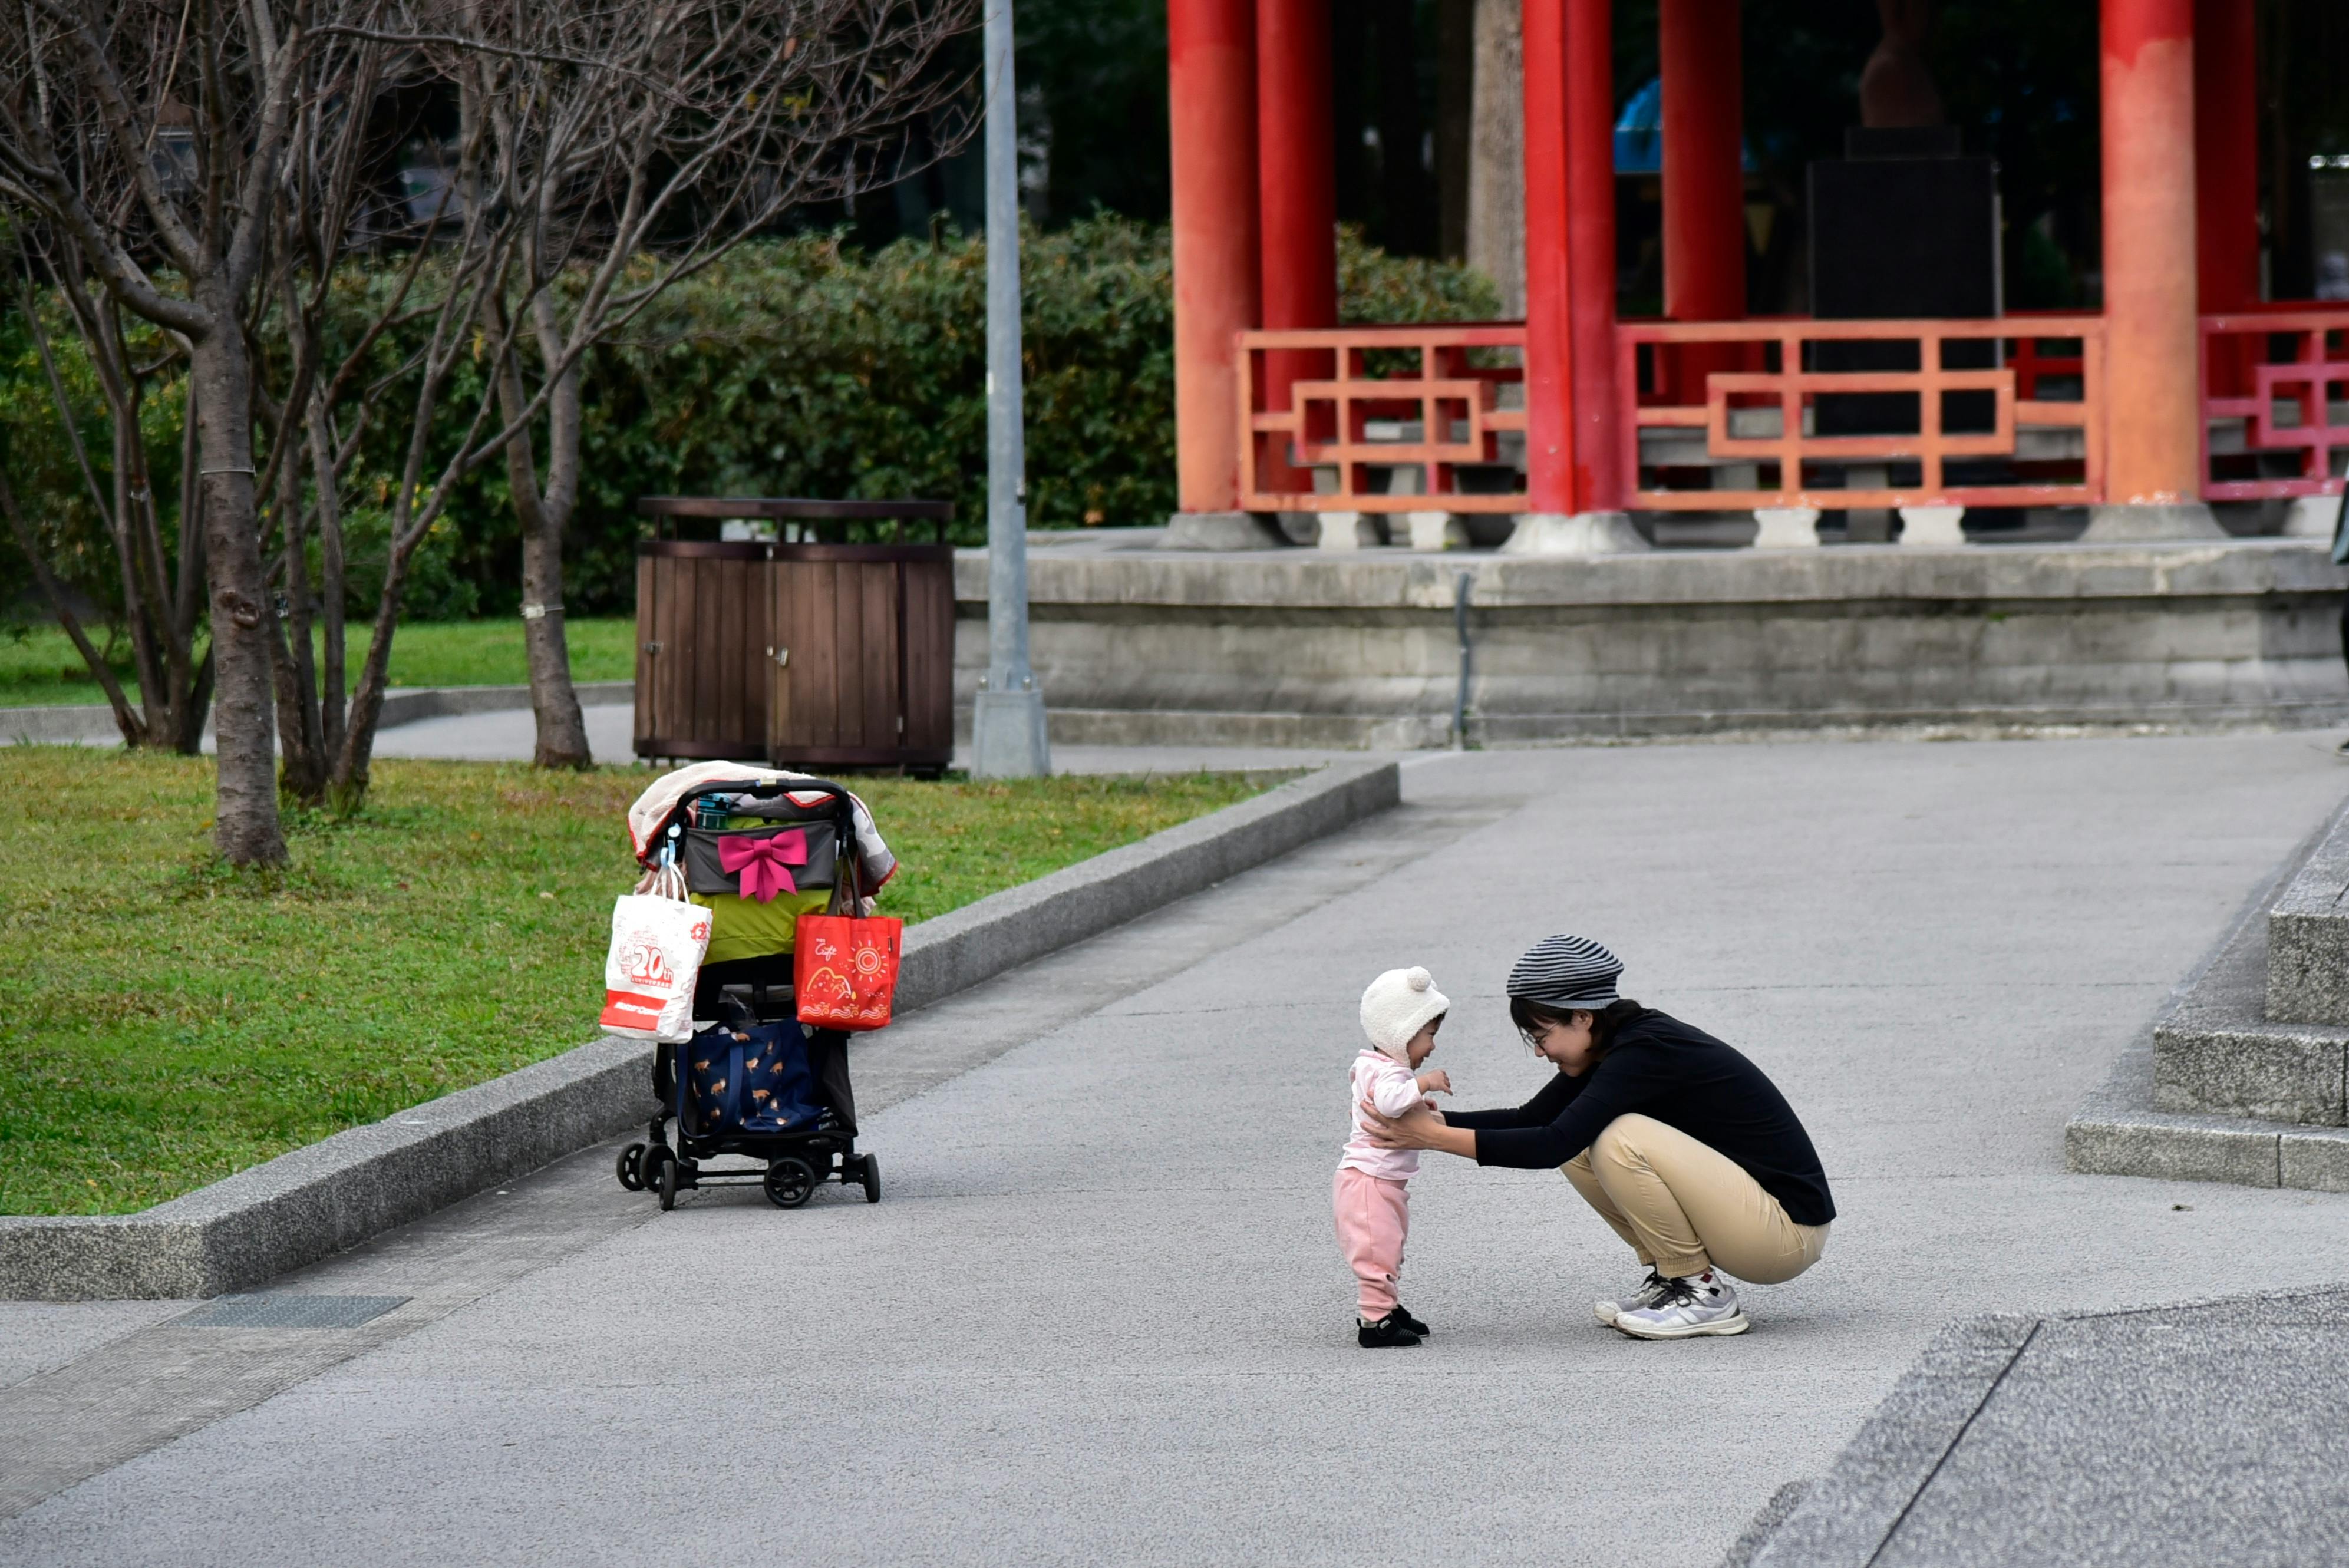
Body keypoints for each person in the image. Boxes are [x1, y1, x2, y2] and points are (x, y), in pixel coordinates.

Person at [1360, 935, 1834, 1341]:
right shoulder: (1611, 1043)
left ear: (1582, 1016)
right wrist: (1433, 1123)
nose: (1541, 1051)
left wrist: (1433, 1139)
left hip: (1784, 1233)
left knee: (1615, 1137)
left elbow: (1549, 1143)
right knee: (1582, 1140)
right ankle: (1675, 1277)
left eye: (1542, 1035)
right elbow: (1534, 1118)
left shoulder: (1645, 1050)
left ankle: (1700, 1291)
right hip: (1753, 1218)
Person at [1335, 966, 1453, 1348]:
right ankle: (1374, 1322)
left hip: (1377, 1181)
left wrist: (1417, 1097)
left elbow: (1392, 1106)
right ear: (1401, 1033)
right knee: (1377, 1250)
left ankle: (1388, 1306)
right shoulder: (1389, 1074)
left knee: (1389, 1244)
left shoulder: (1379, 1068)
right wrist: (1423, 1082)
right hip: (1369, 1181)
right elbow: (1389, 1100)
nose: (1432, 1046)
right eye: (1428, 1036)